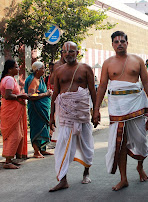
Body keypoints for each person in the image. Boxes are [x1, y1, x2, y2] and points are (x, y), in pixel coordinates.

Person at [93, 31, 148, 191]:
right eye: (116, 41)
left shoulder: (138, 60)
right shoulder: (107, 63)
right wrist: (96, 109)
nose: (119, 43)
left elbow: (146, 83)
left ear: (127, 43)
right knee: (119, 143)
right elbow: (102, 86)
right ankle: (123, 178)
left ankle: (140, 167)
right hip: (117, 107)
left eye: (122, 41)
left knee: (141, 141)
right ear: (112, 44)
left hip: (136, 105)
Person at [49, 41, 96, 192]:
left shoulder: (85, 69)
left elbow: (93, 92)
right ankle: (63, 180)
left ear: (77, 53)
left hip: (82, 114)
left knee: (85, 145)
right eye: (65, 51)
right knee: (62, 146)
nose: (68, 54)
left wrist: (96, 111)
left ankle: (86, 172)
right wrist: (51, 115)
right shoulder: (59, 71)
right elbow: (55, 94)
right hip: (64, 115)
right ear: (62, 54)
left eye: (71, 51)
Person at [0, 59, 29, 169]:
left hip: (12, 110)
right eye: (16, 67)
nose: (18, 69)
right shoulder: (9, 80)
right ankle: (8, 161)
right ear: (10, 69)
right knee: (14, 135)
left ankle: (10, 158)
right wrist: (21, 96)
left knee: (18, 134)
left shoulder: (8, 79)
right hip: (10, 111)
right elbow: (8, 96)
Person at [25, 61, 53, 158]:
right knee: (37, 127)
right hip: (37, 109)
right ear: (37, 70)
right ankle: (36, 151)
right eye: (43, 68)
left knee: (44, 127)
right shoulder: (34, 80)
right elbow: (31, 96)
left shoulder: (40, 79)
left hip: (43, 108)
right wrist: (46, 94)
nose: (44, 70)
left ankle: (42, 149)